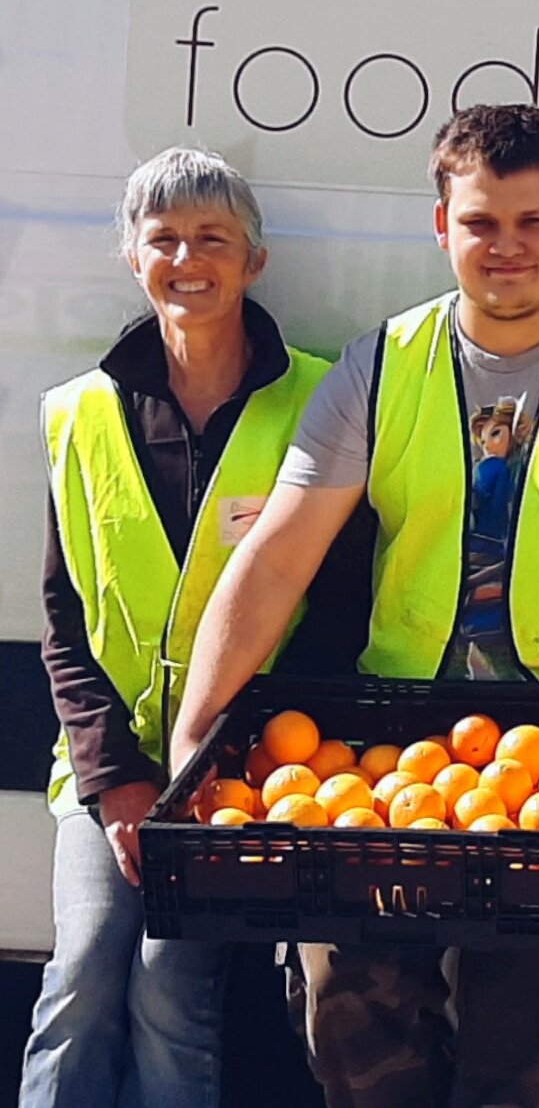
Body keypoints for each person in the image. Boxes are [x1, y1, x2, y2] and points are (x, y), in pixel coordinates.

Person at [169, 102, 539, 1108]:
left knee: (533, 1072)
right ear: (441, 228)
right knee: (358, 1052)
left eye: (531, 222)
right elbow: (273, 560)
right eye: (480, 222)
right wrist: (196, 733)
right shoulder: (379, 364)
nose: (505, 247)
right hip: (386, 760)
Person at [21, 147, 331, 1108]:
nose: (187, 259)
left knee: (173, 993)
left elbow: (332, 606)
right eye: (163, 239)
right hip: (105, 770)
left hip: (238, 771)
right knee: (79, 978)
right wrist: (116, 784)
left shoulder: (316, 400)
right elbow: (63, 618)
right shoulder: (77, 414)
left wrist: (230, 770)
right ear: (130, 255)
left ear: (253, 260)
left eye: (213, 238)